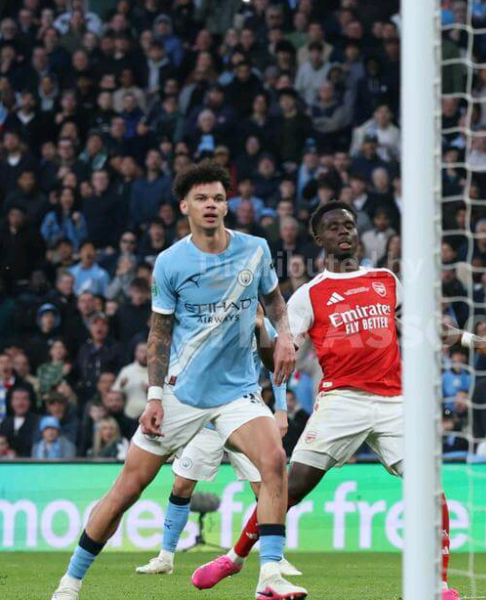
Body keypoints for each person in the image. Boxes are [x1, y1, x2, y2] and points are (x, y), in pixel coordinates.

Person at [190, 201, 486, 600]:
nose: (344, 232)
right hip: (341, 401)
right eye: (334, 227)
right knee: (290, 488)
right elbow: (278, 356)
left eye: (348, 225)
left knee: (430, 488)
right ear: (319, 238)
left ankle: (437, 585)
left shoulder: (385, 280)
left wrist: (473, 340)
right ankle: (236, 557)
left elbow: (418, 325)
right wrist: (260, 331)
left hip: (394, 402)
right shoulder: (308, 296)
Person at [50, 161, 304, 600]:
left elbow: (275, 302)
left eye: (219, 198)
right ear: (184, 205)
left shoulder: (257, 249)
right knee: (127, 489)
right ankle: (70, 582)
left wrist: (284, 338)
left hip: (238, 393)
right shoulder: (170, 263)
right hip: (181, 394)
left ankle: (270, 577)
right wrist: (154, 397)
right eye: (202, 198)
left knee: (275, 461)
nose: (212, 205)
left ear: (228, 206)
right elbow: (159, 333)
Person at [135, 307, 300, 580]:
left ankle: (277, 557)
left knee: (266, 487)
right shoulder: (208, 323)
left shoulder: (261, 326)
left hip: (242, 418)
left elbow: (277, 365)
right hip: (206, 420)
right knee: (182, 484)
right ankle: (165, 557)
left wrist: (281, 409)